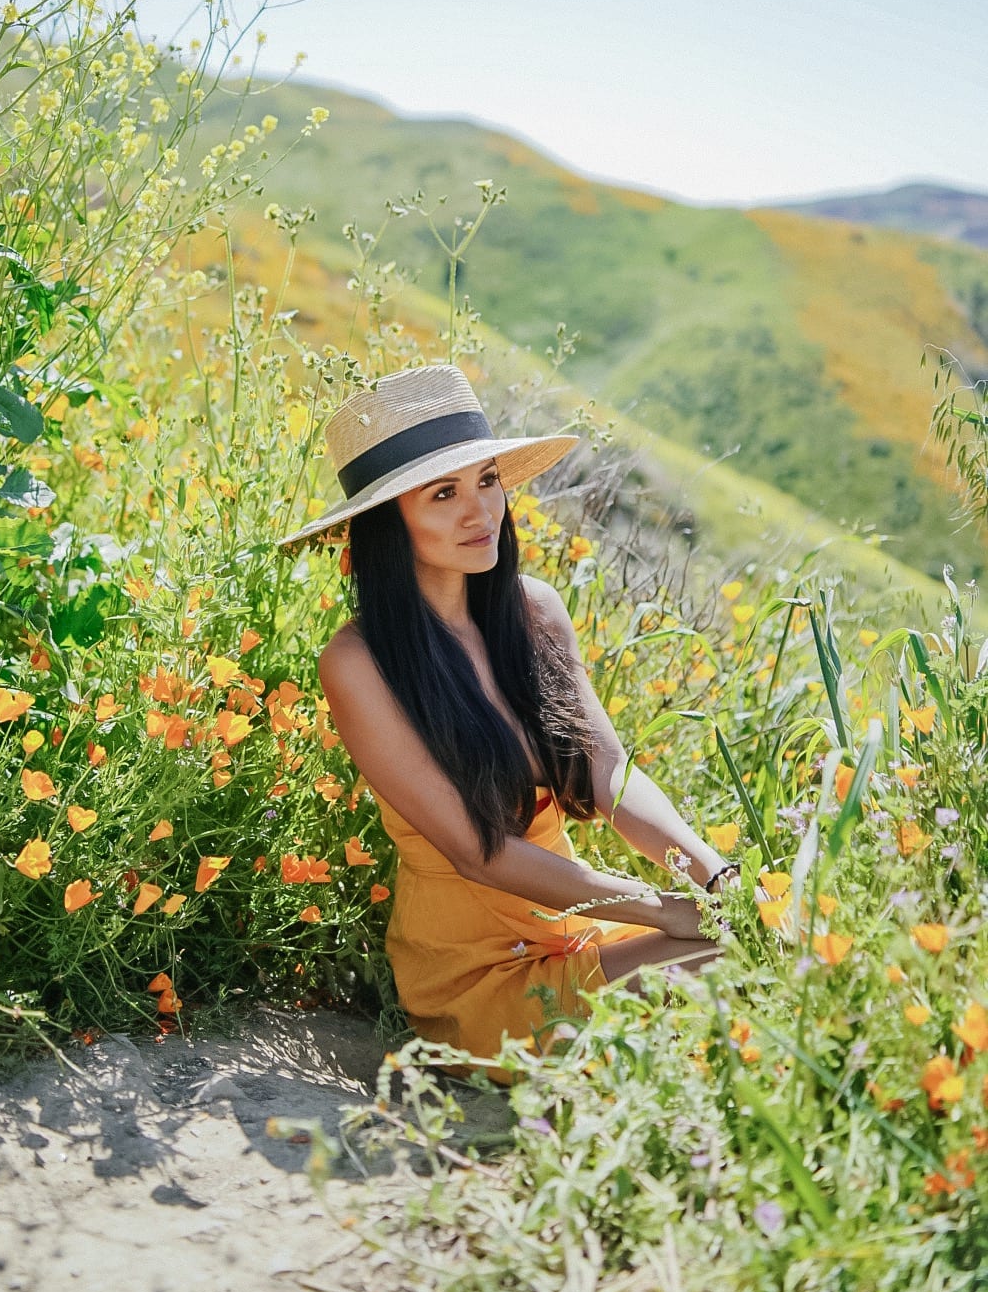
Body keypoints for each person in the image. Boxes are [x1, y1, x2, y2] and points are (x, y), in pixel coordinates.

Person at [280, 364, 737, 1064]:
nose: (481, 512)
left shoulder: (535, 612)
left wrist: (716, 880)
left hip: (578, 932)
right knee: (727, 967)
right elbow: (477, 852)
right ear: (385, 522)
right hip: (478, 975)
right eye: (443, 494)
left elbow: (609, 773)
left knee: (760, 939)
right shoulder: (359, 662)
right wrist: (657, 907)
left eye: (488, 481)